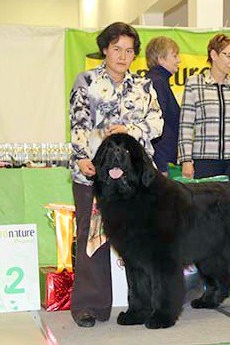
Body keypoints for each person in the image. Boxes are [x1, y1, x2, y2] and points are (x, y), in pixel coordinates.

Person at [69, 22, 163, 327]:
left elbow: (157, 123)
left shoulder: (144, 86)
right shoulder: (86, 81)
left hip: (137, 180)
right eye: (117, 48)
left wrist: (131, 130)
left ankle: (147, 301)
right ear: (105, 50)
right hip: (96, 174)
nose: (123, 55)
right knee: (92, 237)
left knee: (144, 238)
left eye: (129, 50)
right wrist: (83, 157)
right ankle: (89, 306)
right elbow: (79, 124)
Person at [177, 33, 230, 187]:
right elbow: (186, 126)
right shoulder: (194, 83)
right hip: (205, 160)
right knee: (206, 209)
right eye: (228, 55)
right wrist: (186, 160)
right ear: (214, 55)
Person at [145, 36, 181, 176]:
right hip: (160, 163)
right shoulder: (157, 83)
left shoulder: (159, 81)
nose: (179, 60)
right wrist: (161, 166)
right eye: (174, 55)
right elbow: (157, 127)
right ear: (161, 59)